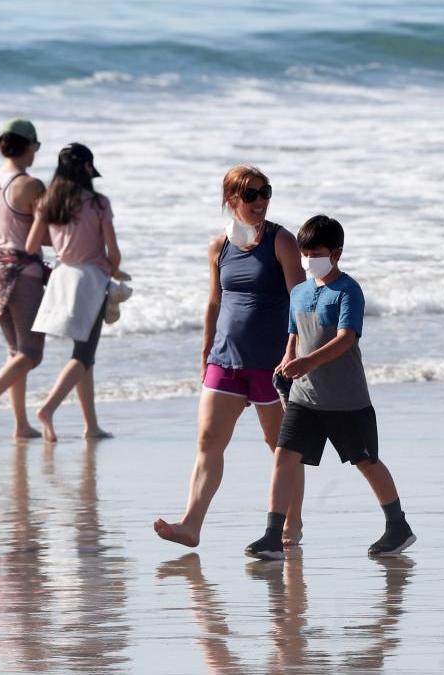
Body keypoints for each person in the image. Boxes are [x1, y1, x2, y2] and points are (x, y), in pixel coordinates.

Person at [244, 215, 417, 560]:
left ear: (336, 253)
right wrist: (287, 360)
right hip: (305, 398)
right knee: (284, 458)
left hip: (347, 400)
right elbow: (294, 335)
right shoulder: (299, 293)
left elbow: (345, 339)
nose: (309, 260)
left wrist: (307, 362)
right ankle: (273, 535)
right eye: (305, 253)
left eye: (316, 253)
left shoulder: (348, 291)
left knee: (367, 463)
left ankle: (397, 526)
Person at [154, 165, 306, 549]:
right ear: (231, 199)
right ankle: (191, 525)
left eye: (265, 191)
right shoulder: (219, 246)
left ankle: (292, 523)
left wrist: (295, 352)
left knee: (280, 447)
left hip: (271, 364)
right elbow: (214, 300)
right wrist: (206, 349)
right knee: (208, 442)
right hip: (225, 359)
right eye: (251, 194)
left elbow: (301, 302)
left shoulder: (281, 241)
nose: (261, 201)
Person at [25, 143, 122, 442]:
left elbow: (31, 246)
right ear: (86, 168)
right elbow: (113, 253)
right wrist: (111, 269)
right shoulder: (98, 203)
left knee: (85, 357)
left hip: (61, 276)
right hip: (91, 280)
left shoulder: (47, 202)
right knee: (83, 354)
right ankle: (48, 408)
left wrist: (66, 244)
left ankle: (91, 425)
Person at [0, 118, 48, 440]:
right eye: (36, 146)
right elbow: (44, 234)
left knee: (15, 352)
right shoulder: (32, 185)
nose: (36, 153)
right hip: (23, 272)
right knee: (32, 353)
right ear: (27, 146)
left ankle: (20, 424)